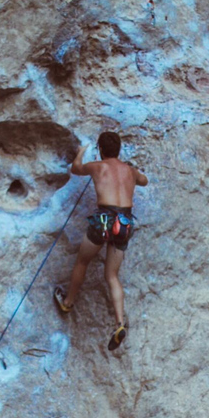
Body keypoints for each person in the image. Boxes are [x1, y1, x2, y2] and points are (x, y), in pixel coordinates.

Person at [54, 132, 148, 351]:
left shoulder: (97, 167)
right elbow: (144, 180)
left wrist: (81, 151)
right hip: (124, 223)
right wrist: (130, 170)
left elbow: (76, 168)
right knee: (112, 275)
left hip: (105, 220)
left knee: (82, 262)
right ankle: (119, 323)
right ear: (119, 149)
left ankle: (68, 303)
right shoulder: (130, 171)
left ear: (101, 149)